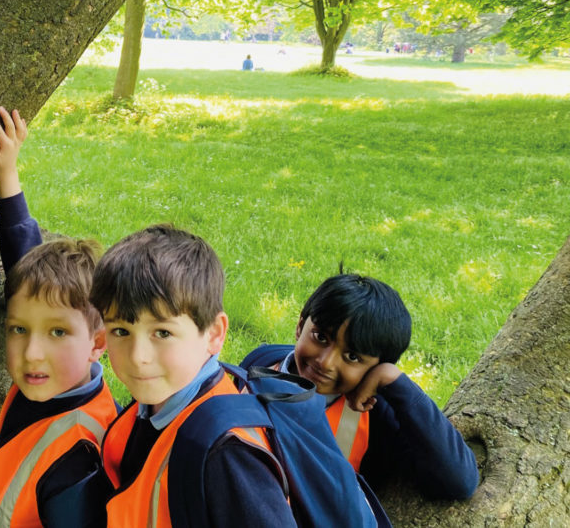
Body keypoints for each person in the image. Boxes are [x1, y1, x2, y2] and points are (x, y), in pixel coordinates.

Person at [91, 225, 296, 527]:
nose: (138, 356)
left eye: (162, 332)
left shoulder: (227, 456)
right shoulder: (157, 402)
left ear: (214, 334)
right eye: (121, 331)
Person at [0, 108, 116, 527]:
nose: (32, 353)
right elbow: (23, 264)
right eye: (19, 329)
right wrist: (8, 172)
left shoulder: (79, 458)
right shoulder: (57, 381)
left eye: (57, 332)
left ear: (97, 343)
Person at [243, 274, 479, 500]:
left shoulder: (374, 415)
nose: (326, 362)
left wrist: (392, 378)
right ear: (301, 325)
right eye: (321, 337)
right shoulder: (262, 362)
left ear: (377, 367)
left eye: (352, 357)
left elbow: (460, 480)